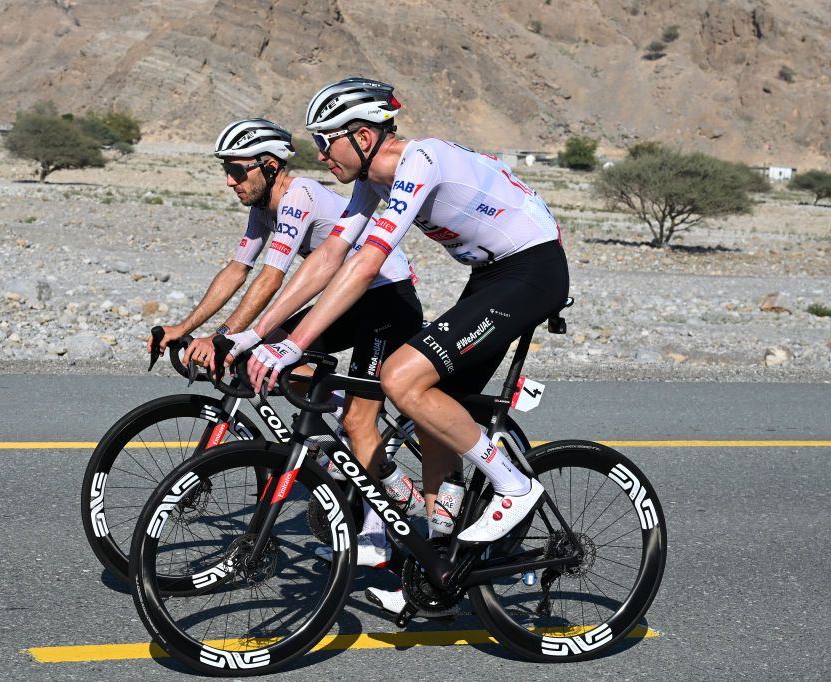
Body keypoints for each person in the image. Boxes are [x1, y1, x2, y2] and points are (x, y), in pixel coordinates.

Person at [241, 78, 569, 615]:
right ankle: (443, 541)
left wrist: (295, 343)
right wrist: (259, 335)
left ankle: (513, 485)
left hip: (532, 268)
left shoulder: (421, 161)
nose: (320, 154)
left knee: (400, 376)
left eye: (328, 141)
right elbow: (329, 258)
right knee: (435, 407)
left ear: (365, 135)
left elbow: (366, 262)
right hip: (492, 275)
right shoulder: (371, 183)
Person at [149, 117, 424, 567]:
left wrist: (224, 338)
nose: (230, 181)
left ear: (270, 165)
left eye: (238, 171)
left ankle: (375, 534)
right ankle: (335, 418)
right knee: (266, 355)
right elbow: (237, 270)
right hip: (345, 299)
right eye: (227, 171)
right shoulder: (263, 208)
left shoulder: (297, 197)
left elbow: (273, 277)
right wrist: (184, 326)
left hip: (386, 299)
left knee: (356, 418)